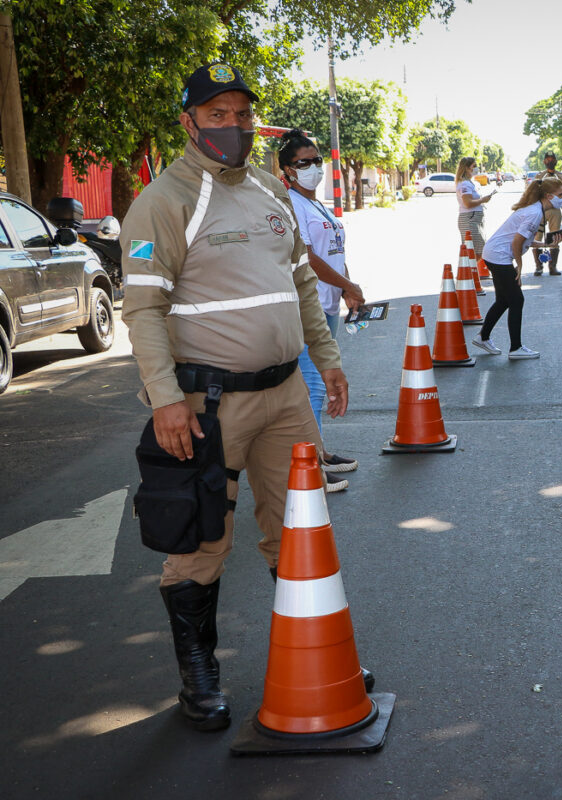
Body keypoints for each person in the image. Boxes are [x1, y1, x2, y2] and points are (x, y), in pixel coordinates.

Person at [121, 63, 352, 731]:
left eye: (240, 114)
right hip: (208, 409)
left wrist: (327, 358)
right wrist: (165, 399)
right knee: (201, 543)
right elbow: (141, 311)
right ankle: (200, 676)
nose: (232, 125)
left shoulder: (266, 190)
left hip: (286, 398)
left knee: (300, 534)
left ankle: (315, 658)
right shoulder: (163, 201)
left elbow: (303, 284)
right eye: (216, 114)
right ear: (188, 121)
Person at [278, 129, 364, 485]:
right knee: (312, 386)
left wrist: (348, 287)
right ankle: (307, 470)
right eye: (304, 162)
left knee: (316, 385)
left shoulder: (315, 202)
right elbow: (308, 258)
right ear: (287, 170)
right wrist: (346, 284)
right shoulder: (291, 204)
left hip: (327, 304)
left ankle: (319, 454)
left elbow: (334, 251)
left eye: (317, 161)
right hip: (306, 305)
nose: (314, 167)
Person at [472, 177, 562, 360]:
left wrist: (549, 245)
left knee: (504, 300)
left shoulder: (535, 210)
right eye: (560, 195)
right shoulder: (534, 213)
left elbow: (527, 240)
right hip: (499, 256)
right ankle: (515, 348)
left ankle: (483, 337)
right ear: (548, 196)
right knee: (516, 299)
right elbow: (517, 242)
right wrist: (519, 267)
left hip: (494, 254)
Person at [532, 151, 562, 276]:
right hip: (540, 210)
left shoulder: (561, 177)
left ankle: (552, 266)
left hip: (555, 211)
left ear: (556, 161)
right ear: (544, 161)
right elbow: (531, 193)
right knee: (537, 238)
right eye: (547, 159)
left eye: (552, 159)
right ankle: (539, 266)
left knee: (555, 236)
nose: (550, 162)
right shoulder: (540, 176)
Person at [455, 156, 494, 252]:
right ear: (467, 168)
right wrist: (482, 200)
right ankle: (474, 267)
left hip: (474, 219)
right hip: (470, 220)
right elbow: (467, 203)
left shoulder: (470, 182)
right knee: (477, 251)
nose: (477, 168)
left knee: (477, 250)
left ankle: (474, 267)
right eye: (474, 166)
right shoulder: (465, 184)